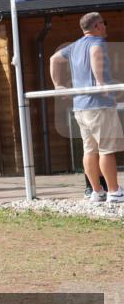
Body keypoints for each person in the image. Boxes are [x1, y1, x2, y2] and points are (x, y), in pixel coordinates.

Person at [50, 12, 123, 203]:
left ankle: (97, 192)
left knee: (90, 150)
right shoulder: (96, 43)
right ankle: (114, 191)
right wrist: (100, 82)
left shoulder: (74, 46)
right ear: (98, 25)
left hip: (81, 107)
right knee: (107, 149)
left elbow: (53, 59)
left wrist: (58, 85)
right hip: (99, 106)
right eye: (104, 23)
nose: (106, 27)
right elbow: (95, 53)